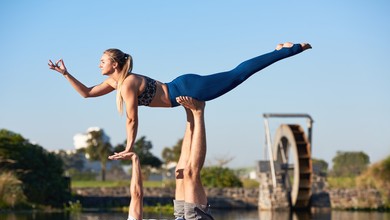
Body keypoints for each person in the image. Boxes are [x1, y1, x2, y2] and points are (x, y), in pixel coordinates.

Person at [48, 42, 311, 158]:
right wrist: (66, 74)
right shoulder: (114, 82)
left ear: (115, 64)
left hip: (188, 88)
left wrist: (129, 146)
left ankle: (289, 50)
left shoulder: (127, 83)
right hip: (182, 88)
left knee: (237, 75)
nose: (98, 64)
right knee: (235, 75)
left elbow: (131, 118)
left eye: (102, 61)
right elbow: (86, 93)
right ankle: (280, 50)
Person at [80, 96, 215, 220]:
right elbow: (137, 194)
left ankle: (189, 116)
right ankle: (198, 112)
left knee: (180, 172)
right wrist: (135, 159)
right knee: (191, 174)